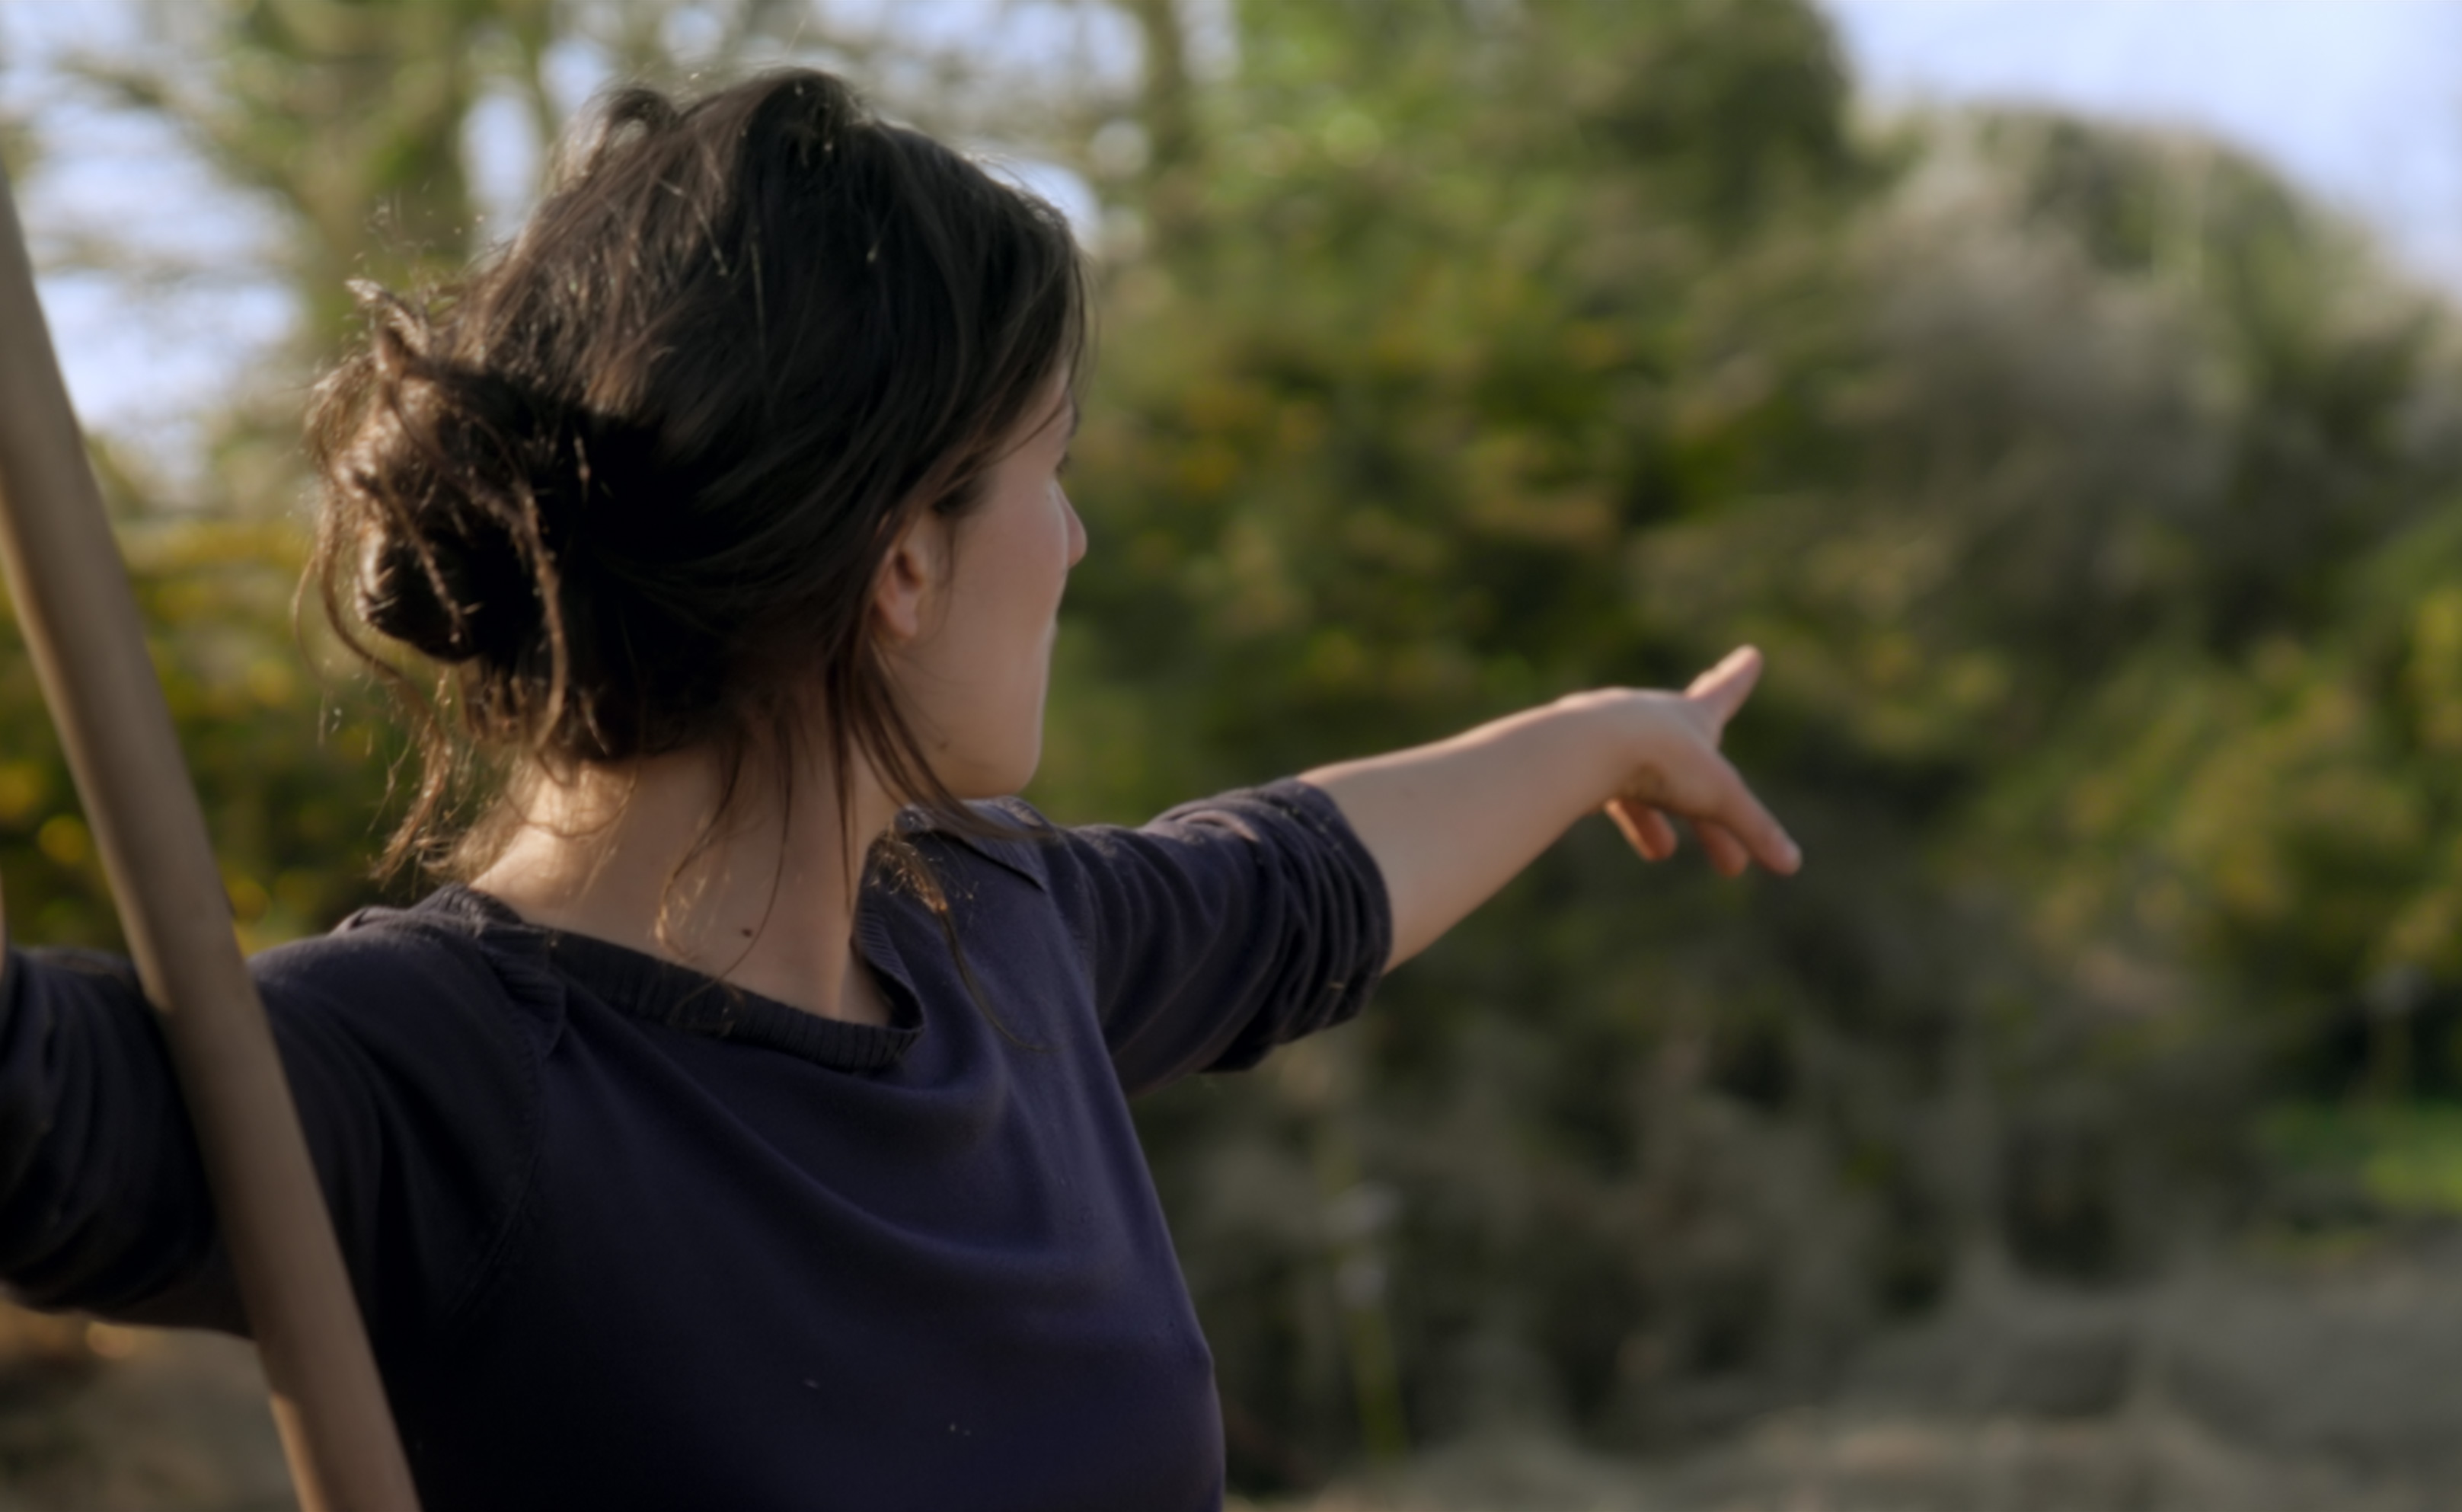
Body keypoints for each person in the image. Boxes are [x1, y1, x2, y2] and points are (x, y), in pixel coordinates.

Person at [0, 68, 1796, 1510]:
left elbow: (1296, 881)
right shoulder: (422, 1087)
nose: (1075, 542)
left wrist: (1608, 738)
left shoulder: (999, 941)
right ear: (907, 566)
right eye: (1049, 471)